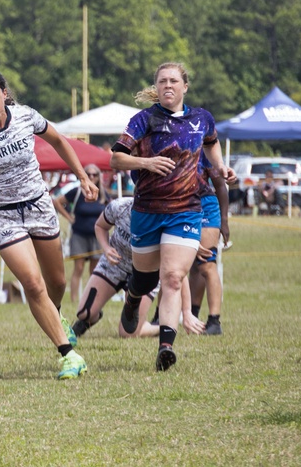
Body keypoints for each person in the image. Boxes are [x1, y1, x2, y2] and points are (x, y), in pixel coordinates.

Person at [0, 68, 97, 380]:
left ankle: (56, 317)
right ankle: (68, 355)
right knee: (32, 284)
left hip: (39, 205)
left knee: (56, 283)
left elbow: (60, 141)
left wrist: (82, 177)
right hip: (3, 215)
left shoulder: (26, 116)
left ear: (5, 93)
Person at [110, 62, 234, 372]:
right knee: (144, 278)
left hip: (186, 210)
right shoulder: (144, 119)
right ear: (156, 86)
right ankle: (133, 297)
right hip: (147, 210)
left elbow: (212, 143)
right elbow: (116, 158)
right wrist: (146, 162)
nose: (168, 85)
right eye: (162, 80)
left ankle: (166, 345)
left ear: (184, 87)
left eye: (174, 81)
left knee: (173, 278)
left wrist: (220, 167)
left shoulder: (202, 118)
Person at [70, 197, 204, 339]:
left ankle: (162, 327)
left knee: (128, 333)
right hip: (115, 265)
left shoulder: (163, 219)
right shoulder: (119, 206)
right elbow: (100, 226)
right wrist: (107, 248)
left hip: (146, 273)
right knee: (84, 313)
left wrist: (187, 311)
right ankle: (92, 317)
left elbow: (177, 272)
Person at [52, 164, 108, 306]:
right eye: (88, 174)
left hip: (97, 236)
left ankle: (92, 299)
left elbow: (111, 209)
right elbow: (57, 201)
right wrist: (69, 217)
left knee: (95, 270)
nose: (91, 177)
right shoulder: (76, 192)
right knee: (79, 268)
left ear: (98, 176)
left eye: (94, 174)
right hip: (79, 235)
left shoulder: (102, 194)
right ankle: (73, 300)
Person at [189, 151, 230, 336]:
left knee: (206, 264)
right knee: (190, 266)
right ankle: (192, 316)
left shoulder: (204, 151)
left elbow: (220, 185)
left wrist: (224, 221)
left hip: (205, 205)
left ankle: (214, 321)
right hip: (180, 204)